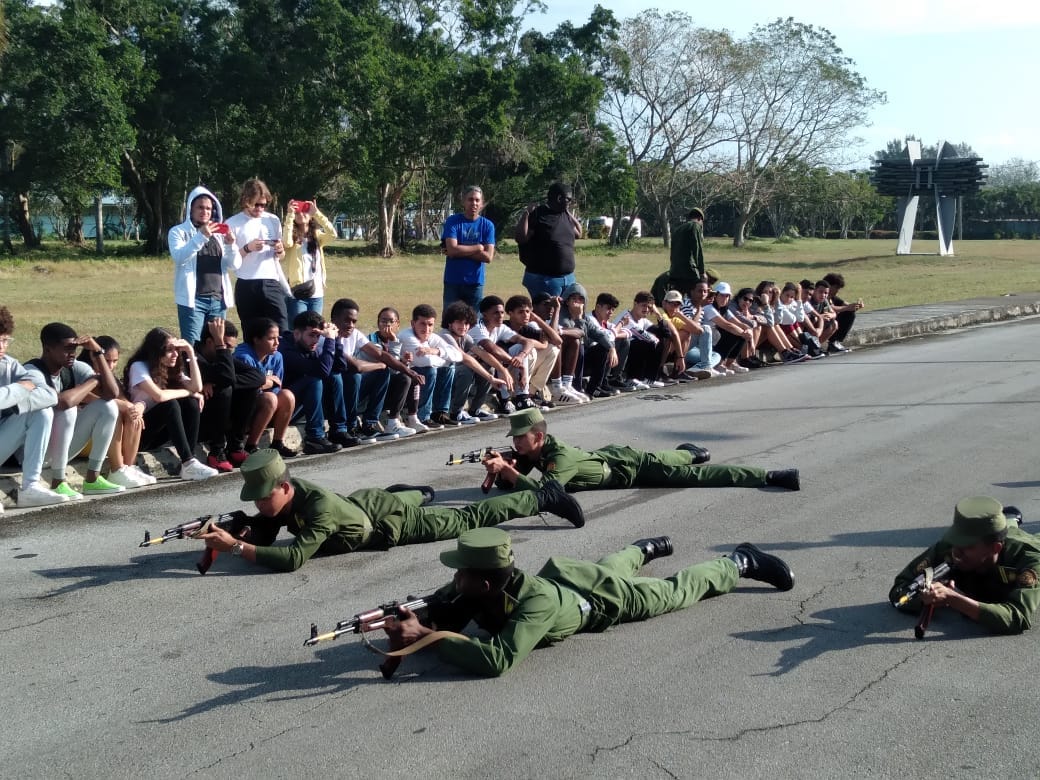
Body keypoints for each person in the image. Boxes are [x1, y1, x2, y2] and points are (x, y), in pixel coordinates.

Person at [381, 527, 794, 677]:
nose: (453, 579)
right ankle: (642, 548)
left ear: (485, 584)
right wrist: (417, 620)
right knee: (610, 566)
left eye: (461, 572)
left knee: (674, 592)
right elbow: (444, 608)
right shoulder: (476, 587)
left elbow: (498, 661)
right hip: (570, 577)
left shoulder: (535, 603)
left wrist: (427, 638)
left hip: (603, 601)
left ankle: (738, 561)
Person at [197, 449, 587, 572]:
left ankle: (542, 498)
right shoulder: (287, 497)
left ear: (285, 487)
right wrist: (246, 528)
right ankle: (419, 492)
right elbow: (271, 527)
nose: (260, 505)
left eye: (264, 498)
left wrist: (236, 547)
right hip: (367, 502)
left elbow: (295, 557)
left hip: (391, 521)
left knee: (469, 518)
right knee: (407, 495)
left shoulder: (317, 509)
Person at [483, 408, 800, 492]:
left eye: (521, 438)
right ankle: (691, 451)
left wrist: (510, 470)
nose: (516, 444)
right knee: (669, 456)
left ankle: (769, 475)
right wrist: (500, 471)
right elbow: (512, 485)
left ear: (539, 436)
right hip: (613, 456)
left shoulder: (558, 457)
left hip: (627, 469)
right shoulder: (533, 452)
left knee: (693, 476)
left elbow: (546, 492)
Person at [889, 497, 1040, 634]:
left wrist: (953, 599)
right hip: (999, 536)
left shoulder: (1030, 559)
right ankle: (1009, 518)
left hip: (1029, 543)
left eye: (967, 546)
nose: (956, 553)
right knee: (1006, 528)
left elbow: (1016, 617)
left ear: (995, 548)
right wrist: (925, 596)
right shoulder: (948, 547)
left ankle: (1010, 518)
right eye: (955, 541)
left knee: (1014, 532)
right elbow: (900, 590)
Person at [28, 322, 124, 499]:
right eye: (67, 348)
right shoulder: (32, 371)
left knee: (108, 407)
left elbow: (112, 393)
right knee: (68, 410)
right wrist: (94, 381)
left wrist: (97, 353)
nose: (72, 353)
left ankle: (93, 479)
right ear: (48, 349)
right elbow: (63, 402)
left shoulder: (73, 366)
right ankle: (58, 482)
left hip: (58, 451)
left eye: (75, 348)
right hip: (31, 454)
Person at [124, 327, 219, 481]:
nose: (175, 354)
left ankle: (190, 460)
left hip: (159, 432)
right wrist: (189, 392)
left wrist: (190, 352)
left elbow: (197, 387)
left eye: (177, 350)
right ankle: (188, 462)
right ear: (156, 351)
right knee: (171, 404)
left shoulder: (171, 369)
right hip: (139, 434)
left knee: (191, 402)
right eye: (169, 350)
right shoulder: (139, 367)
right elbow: (159, 396)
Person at [0, 306, 67, 508]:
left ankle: (31, 486)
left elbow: (49, 395)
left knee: (42, 411)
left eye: (5, 340)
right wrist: (20, 389)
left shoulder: (10, 365)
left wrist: (14, 406)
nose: (2, 346)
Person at [329, 298, 421, 440]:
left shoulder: (354, 333)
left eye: (354, 321)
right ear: (334, 319)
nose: (350, 325)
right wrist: (380, 365)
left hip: (350, 390)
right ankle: (351, 427)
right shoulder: (328, 337)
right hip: (331, 393)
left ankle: (369, 425)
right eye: (346, 320)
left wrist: (409, 371)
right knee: (355, 375)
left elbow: (381, 354)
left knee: (384, 373)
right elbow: (356, 366)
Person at [76, 337, 156, 488]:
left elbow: (125, 402)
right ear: (94, 355)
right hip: (82, 440)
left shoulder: (110, 377)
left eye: (114, 361)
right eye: (106, 361)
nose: (111, 366)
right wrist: (123, 405)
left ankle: (128, 467)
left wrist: (135, 408)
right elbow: (88, 398)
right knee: (113, 411)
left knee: (133, 415)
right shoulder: (82, 372)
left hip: (102, 438)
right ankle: (117, 469)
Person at [168, 186, 240, 344]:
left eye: (208, 208)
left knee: (216, 345)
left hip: (218, 300)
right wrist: (201, 236)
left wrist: (231, 245)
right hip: (193, 301)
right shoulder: (178, 232)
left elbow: (234, 265)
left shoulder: (219, 235)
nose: (205, 211)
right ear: (191, 209)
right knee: (192, 346)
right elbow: (180, 257)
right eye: (200, 207)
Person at [225, 178, 291, 331]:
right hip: (246, 283)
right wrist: (247, 248)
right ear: (246, 200)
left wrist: (280, 250)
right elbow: (229, 262)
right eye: (256, 204)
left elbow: (280, 257)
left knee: (281, 329)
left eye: (264, 204)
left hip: (271, 281)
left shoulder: (273, 220)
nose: (260, 208)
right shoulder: (233, 223)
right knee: (252, 332)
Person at [232, 317, 299, 457]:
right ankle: (251, 445)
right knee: (270, 398)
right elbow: (248, 388)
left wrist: (265, 384)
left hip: (266, 406)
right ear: (256, 340)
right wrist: (267, 381)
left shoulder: (277, 356)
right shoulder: (244, 357)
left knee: (287, 395)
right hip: (243, 409)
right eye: (271, 338)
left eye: (278, 338)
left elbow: (278, 386)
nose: (277, 343)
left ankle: (277, 443)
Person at [440, 301, 511, 426]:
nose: (464, 326)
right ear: (450, 323)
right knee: (466, 370)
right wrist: (491, 378)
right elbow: (466, 358)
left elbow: (483, 354)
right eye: (459, 322)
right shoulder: (445, 336)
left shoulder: (465, 337)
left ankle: (475, 409)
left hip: (453, 377)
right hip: (441, 378)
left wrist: (503, 370)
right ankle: (456, 412)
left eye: (466, 323)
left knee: (488, 367)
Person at [398, 304, 462, 430]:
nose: (427, 329)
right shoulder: (407, 336)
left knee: (449, 367)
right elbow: (425, 361)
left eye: (430, 325)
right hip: (406, 377)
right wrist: (442, 357)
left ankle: (439, 413)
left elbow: (458, 355)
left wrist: (436, 351)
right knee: (430, 369)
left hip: (421, 373)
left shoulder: (432, 337)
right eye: (422, 324)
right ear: (413, 323)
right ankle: (423, 416)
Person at [514, 182, 583, 299]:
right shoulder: (538, 214)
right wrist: (526, 214)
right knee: (548, 315)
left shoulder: (564, 215)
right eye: (569, 199)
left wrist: (569, 214)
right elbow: (521, 238)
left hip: (568, 278)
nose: (570, 202)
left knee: (564, 315)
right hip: (544, 279)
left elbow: (578, 233)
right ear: (559, 198)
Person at [441, 185, 496, 312]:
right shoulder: (453, 221)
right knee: (450, 320)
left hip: (475, 282)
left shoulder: (487, 225)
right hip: (453, 281)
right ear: (463, 201)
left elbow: (488, 257)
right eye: (470, 199)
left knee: (473, 322)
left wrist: (458, 251)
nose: (474, 203)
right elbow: (452, 250)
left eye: (477, 200)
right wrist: (478, 247)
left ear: (482, 203)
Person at [283, 199, 335, 322]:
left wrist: (317, 213)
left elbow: (333, 234)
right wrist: (290, 215)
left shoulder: (317, 236)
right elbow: (286, 242)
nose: (301, 214)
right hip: (298, 292)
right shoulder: (292, 238)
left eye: (305, 211)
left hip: (317, 293)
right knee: (298, 330)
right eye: (297, 213)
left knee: (315, 329)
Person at [821, 272, 863, 354]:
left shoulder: (833, 297)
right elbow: (830, 308)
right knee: (845, 312)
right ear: (829, 285)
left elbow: (846, 305)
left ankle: (835, 342)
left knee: (850, 314)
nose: (837, 290)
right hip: (821, 322)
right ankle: (831, 343)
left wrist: (856, 306)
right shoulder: (821, 296)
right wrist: (847, 308)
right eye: (836, 287)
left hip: (829, 323)